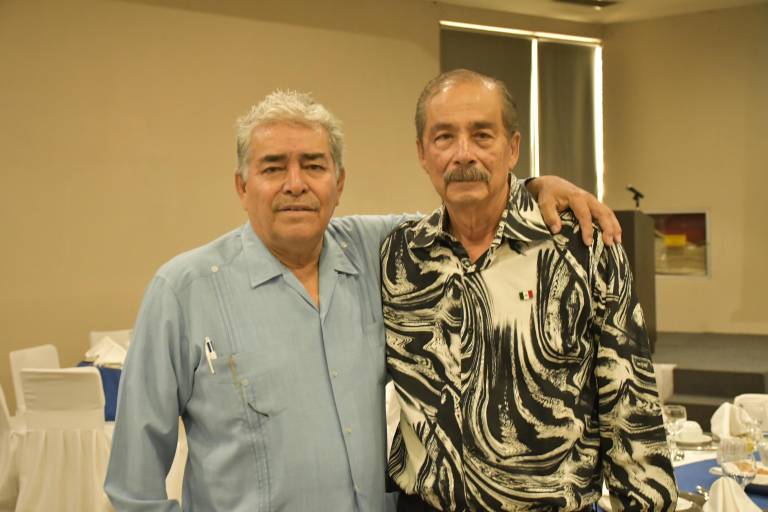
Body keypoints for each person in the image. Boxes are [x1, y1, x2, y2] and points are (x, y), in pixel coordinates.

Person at [105, 89, 621, 511]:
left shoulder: (388, 253)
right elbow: (134, 488)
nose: (295, 184)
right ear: (242, 186)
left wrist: (535, 186)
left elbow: (470, 206)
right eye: (273, 168)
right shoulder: (184, 292)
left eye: (313, 166)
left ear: (339, 183)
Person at [381, 69, 676, 512]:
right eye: (444, 137)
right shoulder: (399, 256)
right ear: (422, 153)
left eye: (482, 135)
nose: (463, 154)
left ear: (513, 148)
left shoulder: (583, 247)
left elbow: (631, 407)